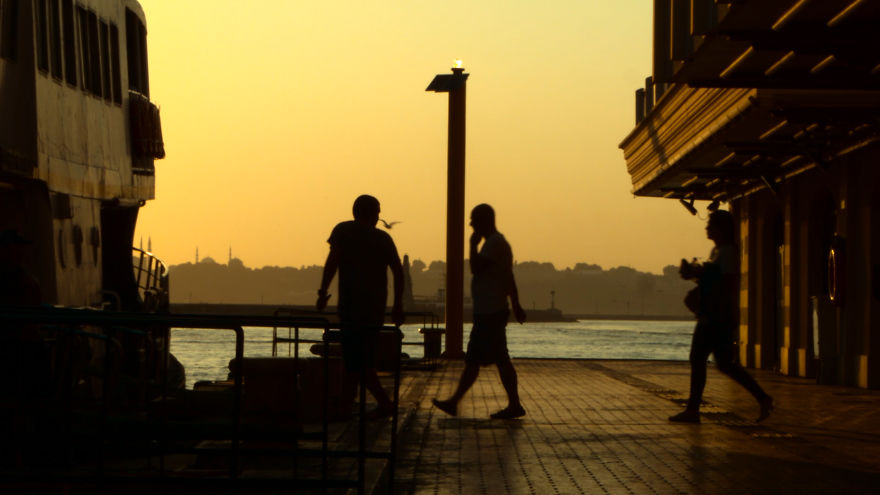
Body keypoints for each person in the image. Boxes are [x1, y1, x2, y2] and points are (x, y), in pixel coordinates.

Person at [669, 210, 773, 423]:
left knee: (699, 359)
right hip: (713, 316)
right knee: (725, 364)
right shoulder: (716, 251)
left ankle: (693, 410)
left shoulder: (728, 253)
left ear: (720, 229)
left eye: (710, 225)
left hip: (716, 318)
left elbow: (727, 284)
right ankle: (762, 398)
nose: (706, 228)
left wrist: (702, 277)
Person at [433, 204, 527, 419]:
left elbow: (476, 267)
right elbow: (508, 277)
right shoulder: (497, 244)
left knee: (476, 359)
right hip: (491, 310)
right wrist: (516, 304)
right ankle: (513, 404)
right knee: (498, 359)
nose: (471, 224)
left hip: (490, 312)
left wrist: (471, 245)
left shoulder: (493, 245)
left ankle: (455, 402)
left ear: (484, 221)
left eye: (474, 220)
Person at [317, 195, 404, 419]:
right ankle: (348, 405)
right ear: (373, 214)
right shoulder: (383, 239)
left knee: (356, 360)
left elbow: (332, 263)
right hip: (374, 309)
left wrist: (323, 293)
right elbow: (398, 271)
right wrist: (397, 305)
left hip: (351, 307)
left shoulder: (343, 232)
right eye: (378, 212)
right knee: (359, 359)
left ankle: (374, 404)